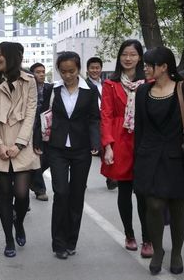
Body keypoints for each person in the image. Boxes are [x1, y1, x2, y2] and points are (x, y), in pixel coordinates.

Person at [34, 51, 100, 260]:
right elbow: (42, 116)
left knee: (76, 195)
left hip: (81, 149)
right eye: (63, 71)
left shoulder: (89, 91)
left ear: (78, 69)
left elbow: (94, 119)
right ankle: (59, 243)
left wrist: (96, 142)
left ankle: (72, 240)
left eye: (71, 71)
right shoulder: (52, 89)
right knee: (61, 193)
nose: (68, 75)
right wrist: (38, 142)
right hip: (57, 148)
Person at [134, 46, 184, 275]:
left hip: (176, 157)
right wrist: (138, 157)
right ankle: (158, 250)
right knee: (153, 205)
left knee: (177, 207)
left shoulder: (183, 89)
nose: (144, 68)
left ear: (164, 67)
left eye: (149, 64)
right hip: (148, 157)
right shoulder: (143, 92)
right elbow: (140, 128)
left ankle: (176, 252)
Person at [0, 42, 38, 257]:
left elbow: (32, 112)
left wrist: (20, 144)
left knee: (22, 194)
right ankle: (9, 240)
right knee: (4, 195)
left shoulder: (29, 81)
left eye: (1, 56)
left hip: (21, 146)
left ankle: (20, 222)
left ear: (12, 57)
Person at [100, 39, 153, 258]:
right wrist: (108, 146)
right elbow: (106, 116)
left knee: (143, 193)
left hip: (143, 141)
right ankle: (130, 235)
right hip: (120, 141)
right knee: (123, 190)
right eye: (124, 54)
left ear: (140, 57)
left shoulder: (149, 82)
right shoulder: (110, 84)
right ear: (119, 57)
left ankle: (148, 239)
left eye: (132, 54)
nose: (128, 58)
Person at [85, 57, 118, 190]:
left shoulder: (107, 84)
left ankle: (111, 178)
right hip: (90, 122)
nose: (95, 70)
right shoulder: (84, 85)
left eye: (97, 67)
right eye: (92, 68)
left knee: (107, 148)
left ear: (101, 69)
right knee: (89, 152)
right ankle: (81, 180)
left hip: (106, 121)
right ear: (87, 70)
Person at [29, 62, 50, 201]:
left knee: (47, 159)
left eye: (43, 71)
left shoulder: (50, 88)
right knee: (36, 158)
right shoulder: (28, 88)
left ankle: (31, 181)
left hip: (47, 127)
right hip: (31, 127)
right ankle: (39, 189)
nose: (41, 74)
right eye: (38, 72)